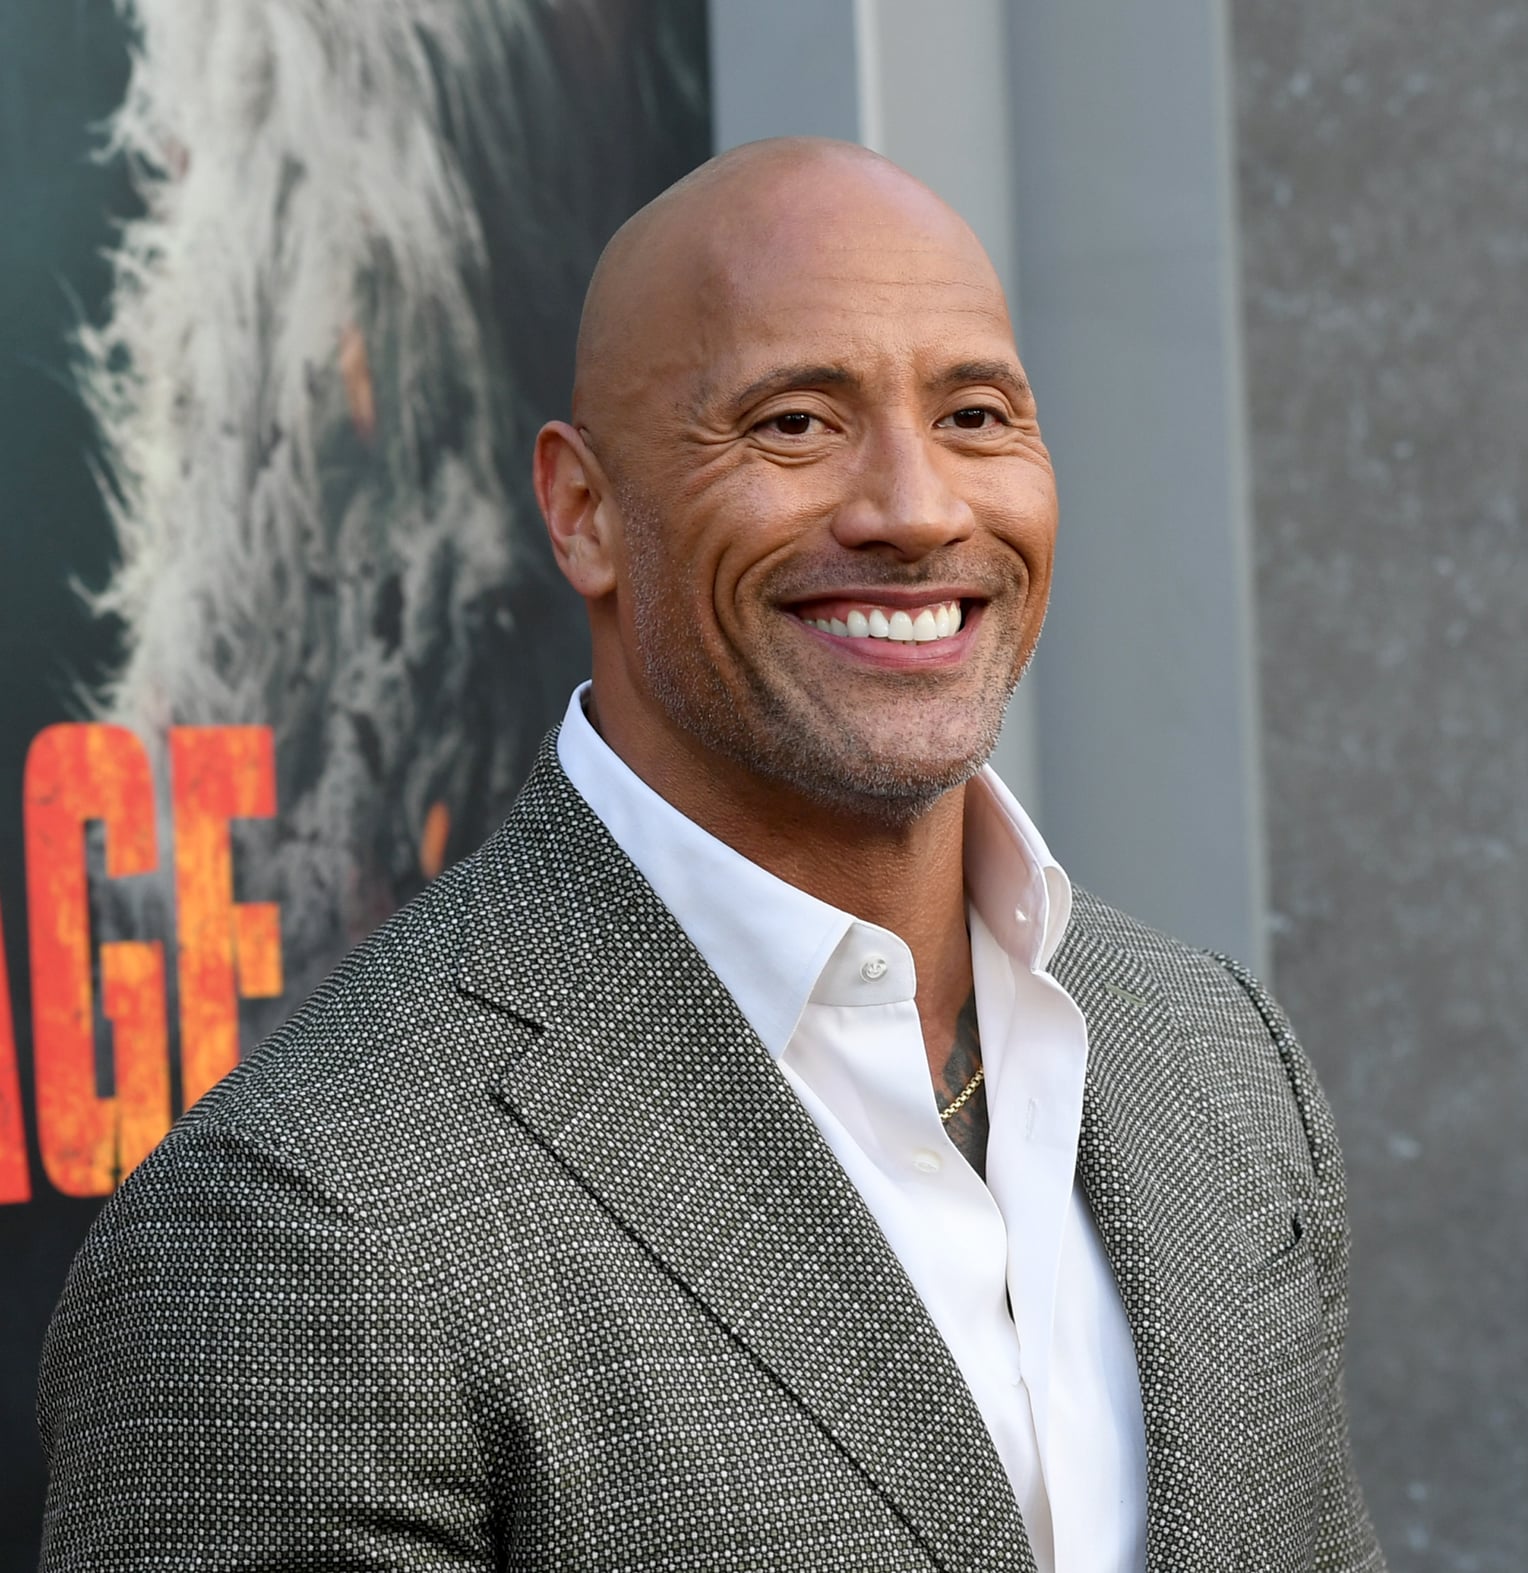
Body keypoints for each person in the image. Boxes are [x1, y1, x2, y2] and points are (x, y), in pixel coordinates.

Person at [38, 138, 1384, 1572]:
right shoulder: (297, 1233)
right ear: (584, 513)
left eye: (978, 413)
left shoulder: (1219, 1063)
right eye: (797, 424)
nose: (920, 508)